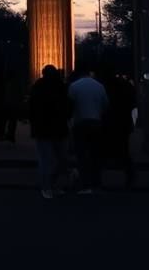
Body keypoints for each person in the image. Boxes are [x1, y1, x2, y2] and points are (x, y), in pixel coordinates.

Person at [28, 65, 70, 199]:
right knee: (59, 159)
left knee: (46, 160)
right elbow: (68, 106)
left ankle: (47, 187)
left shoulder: (37, 87)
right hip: (58, 127)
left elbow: (32, 108)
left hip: (43, 128)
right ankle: (51, 185)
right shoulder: (61, 87)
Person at [68, 67, 108, 194]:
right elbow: (106, 104)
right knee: (95, 153)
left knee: (81, 154)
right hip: (96, 122)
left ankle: (84, 183)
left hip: (80, 122)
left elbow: (69, 104)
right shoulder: (99, 86)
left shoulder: (74, 86)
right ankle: (97, 182)